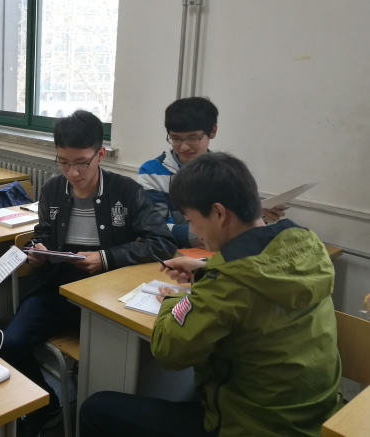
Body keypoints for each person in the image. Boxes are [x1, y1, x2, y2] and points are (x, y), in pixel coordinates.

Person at [80, 152, 342, 437]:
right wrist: (205, 268)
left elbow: (169, 352)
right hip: (319, 419)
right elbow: (258, 275)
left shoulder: (227, 283)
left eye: (191, 220)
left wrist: (172, 301)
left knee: (96, 409)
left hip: (254, 426)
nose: (193, 230)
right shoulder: (307, 245)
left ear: (218, 213)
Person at [1, 110, 177, 437]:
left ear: (100, 154)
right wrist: (37, 250)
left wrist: (106, 258)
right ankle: (47, 407)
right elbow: (43, 233)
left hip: (111, 294)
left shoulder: (126, 191)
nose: (72, 172)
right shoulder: (53, 189)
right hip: (58, 287)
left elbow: (162, 243)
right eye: (63, 162)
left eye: (81, 163)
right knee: (9, 343)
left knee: (114, 360)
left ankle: (98, 412)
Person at [138, 97, 284, 248]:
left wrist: (257, 217)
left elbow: (231, 219)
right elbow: (158, 229)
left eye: (193, 138)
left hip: (223, 250)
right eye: (175, 138)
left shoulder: (223, 170)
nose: (184, 147)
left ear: (212, 131)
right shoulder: (152, 171)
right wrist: (217, 233)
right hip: (179, 252)